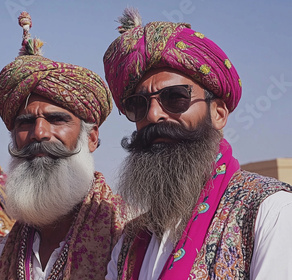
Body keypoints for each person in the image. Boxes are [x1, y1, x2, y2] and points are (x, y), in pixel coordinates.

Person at [103, 8, 292, 280]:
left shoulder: (270, 212)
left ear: (218, 114)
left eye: (175, 97)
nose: (154, 115)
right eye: (138, 104)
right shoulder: (130, 242)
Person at [0, 11, 126, 280]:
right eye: (25, 122)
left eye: (57, 119)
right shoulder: (8, 254)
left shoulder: (125, 238)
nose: (39, 133)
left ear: (91, 138)